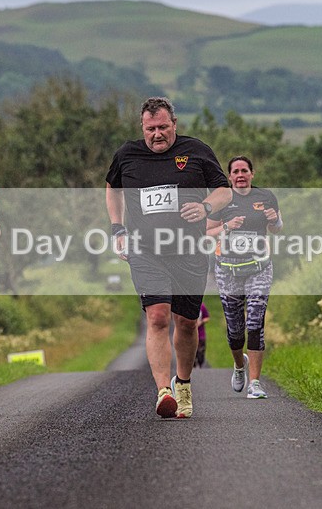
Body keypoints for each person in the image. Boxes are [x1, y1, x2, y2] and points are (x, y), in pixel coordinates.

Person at [106, 97, 232, 419]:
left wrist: (205, 208)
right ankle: (164, 390)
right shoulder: (127, 155)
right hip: (146, 250)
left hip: (188, 250)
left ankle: (184, 383)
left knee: (187, 323)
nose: (157, 134)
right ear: (142, 128)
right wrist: (117, 228)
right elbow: (113, 187)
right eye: (151, 129)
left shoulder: (197, 151)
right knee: (158, 316)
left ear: (174, 124)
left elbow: (224, 190)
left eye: (163, 127)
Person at [206, 155, 282, 399]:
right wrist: (228, 227)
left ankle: (256, 383)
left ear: (252, 173)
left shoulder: (266, 196)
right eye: (235, 171)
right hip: (228, 270)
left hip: (259, 267)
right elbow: (207, 233)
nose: (240, 175)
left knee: (255, 324)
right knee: (236, 329)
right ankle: (240, 366)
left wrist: (275, 220)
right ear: (229, 177)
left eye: (244, 170)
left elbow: (277, 227)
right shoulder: (222, 201)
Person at [194, 302, 210, 368]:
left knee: (201, 352)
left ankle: (200, 366)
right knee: (192, 352)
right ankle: (193, 367)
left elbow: (207, 318)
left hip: (201, 334)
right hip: (191, 335)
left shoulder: (202, 306)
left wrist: (201, 322)